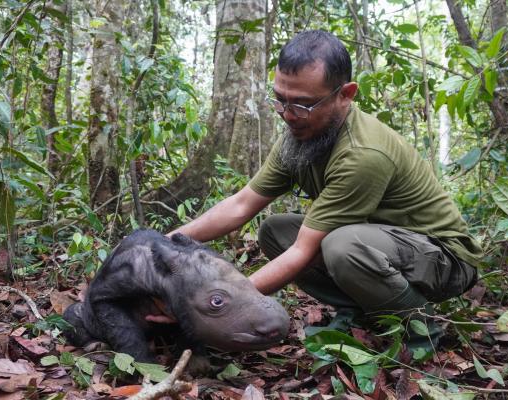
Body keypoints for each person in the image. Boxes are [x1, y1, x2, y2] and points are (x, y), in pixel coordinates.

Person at [152, 30, 482, 348]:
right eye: (280, 100)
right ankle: (358, 313)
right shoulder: (302, 133)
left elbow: (303, 252)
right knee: (275, 231)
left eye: (303, 104)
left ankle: (420, 330)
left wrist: (219, 305)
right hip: (381, 242)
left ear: (346, 94)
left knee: (342, 245)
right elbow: (241, 204)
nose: (287, 114)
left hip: (444, 258)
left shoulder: (362, 154)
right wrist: (160, 244)